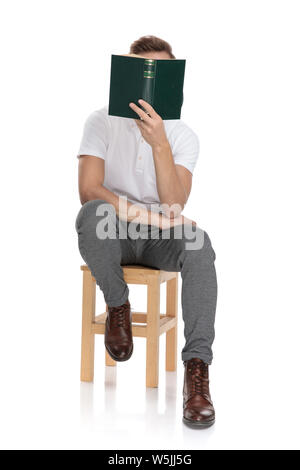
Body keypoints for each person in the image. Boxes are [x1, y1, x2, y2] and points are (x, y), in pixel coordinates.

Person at [75, 35, 218, 428]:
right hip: (112, 232)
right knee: (92, 214)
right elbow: (89, 191)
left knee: (199, 243)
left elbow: (176, 203)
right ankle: (118, 307)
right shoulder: (101, 120)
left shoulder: (183, 135)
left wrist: (159, 145)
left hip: (160, 240)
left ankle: (197, 371)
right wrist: (155, 218)